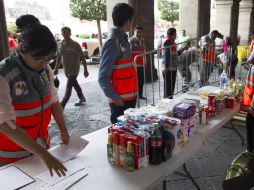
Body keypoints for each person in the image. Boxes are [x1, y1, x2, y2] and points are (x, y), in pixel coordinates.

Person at [0, 22, 69, 177]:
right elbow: (4, 124)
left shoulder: (45, 69)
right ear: (22, 49)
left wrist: (63, 130)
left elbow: (54, 102)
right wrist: (44, 155)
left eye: (49, 58)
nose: (44, 63)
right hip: (10, 157)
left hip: (39, 150)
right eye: (38, 58)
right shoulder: (4, 74)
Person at [98, 3, 137, 124]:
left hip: (129, 97)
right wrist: (115, 98)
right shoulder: (112, 42)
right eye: (131, 20)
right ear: (127, 21)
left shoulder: (123, 39)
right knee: (119, 137)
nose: (132, 23)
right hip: (120, 101)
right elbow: (102, 77)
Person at [54, 27, 89, 109]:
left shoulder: (75, 44)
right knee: (74, 84)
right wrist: (56, 68)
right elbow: (58, 57)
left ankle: (62, 105)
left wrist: (85, 70)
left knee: (68, 87)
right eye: (63, 32)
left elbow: (82, 58)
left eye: (67, 32)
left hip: (74, 69)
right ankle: (82, 98)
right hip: (66, 69)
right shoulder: (59, 44)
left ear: (70, 33)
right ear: (61, 34)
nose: (65, 34)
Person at [130, 25, 146, 99]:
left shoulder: (142, 40)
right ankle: (134, 95)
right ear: (134, 32)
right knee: (134, 81)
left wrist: (145, 60)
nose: (139, 33)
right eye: (137, 32)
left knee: (141, 80)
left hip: (141, 64)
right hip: (134, 64)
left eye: (140, 32)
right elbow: (129, 53)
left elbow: (144, 51)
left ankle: (140, 94)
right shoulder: (131, 40)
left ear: (142, 32)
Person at [162, 28, 179, 98]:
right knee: (169, 88)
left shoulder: (170, 41)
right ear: (173, 34)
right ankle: (167, 102)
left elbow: (173, 54)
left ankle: (168, 101)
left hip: (171, 68)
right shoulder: (168, 41)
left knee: (169, 88)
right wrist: (166, 67)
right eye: (175, 34)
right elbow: (167, 54)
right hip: (169, 69)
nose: (176, 36)